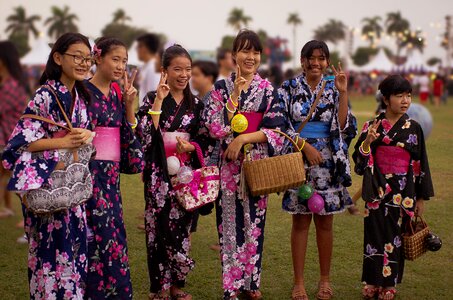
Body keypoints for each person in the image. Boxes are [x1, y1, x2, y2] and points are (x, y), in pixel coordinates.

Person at [2, 32, 94, 299]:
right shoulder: (45, 95)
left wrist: (85, 136)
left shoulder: (80, 95)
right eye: (76, 56)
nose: (83, 63)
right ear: (57, 57)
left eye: (87, 58)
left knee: (74, 255)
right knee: (49, 259)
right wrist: (64, 141)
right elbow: (21, 142)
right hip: (48, 188)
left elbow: (85, 134)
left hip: (72, 191)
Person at [203, 29, 288, 300]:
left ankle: (250, 283)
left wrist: (243, 139)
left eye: (255, 52)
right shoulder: (220, 88)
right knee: (229, 225)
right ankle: (231, 285)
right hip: (228, 168)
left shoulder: (268, 90)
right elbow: (213, 125)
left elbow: (276, 130)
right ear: (233, 56)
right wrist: (234, 98)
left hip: (257, 166)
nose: (250, 57)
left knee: (255, 224)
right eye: (244, 51)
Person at [279, 40, 357, 300]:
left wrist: (343, 93)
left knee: (325, 223)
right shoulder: (289, 87)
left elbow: (345, 127)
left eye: (321, 58)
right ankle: (298, 282)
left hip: (328, 164)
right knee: (300, 222)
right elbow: (279, 124)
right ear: (302, 60)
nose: (315, 62)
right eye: (310, 57)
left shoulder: (335, 87)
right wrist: (303, 146)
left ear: (327, 62)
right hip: (297, 162)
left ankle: (325, 280)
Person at [136, 44, 209, 300]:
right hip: (158, 174)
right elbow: (144, 135)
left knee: (181, 230)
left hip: (185, 175)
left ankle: (178, 284)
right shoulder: (151, 99)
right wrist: (158, 99)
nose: (183, 74)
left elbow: (205, 141)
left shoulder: (196, 104)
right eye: (177, 69)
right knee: (157, 230)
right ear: (164, 70)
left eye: (187, 69)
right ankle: (159, 288)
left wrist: (191, 146)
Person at [353, 75, 434, 300]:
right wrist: (368, 142)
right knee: (374, 235)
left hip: (403, 190)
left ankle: (389, 284)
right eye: (399, 96)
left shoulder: (414, 128)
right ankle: (371, 282)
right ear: (386, 99)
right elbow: (360, 160)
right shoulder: (372, 126)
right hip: (377, 188)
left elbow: (420, 164)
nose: (406, 100)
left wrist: (420, 197)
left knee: (395, 237)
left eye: (408, 95)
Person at [83, 37, 143, 299]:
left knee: (113, 239)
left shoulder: (119, 94)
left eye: (125, 61)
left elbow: (127, 135)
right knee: (92, 240)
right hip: (87, 175)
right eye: (115, 59)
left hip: (110, 181)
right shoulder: (81, 91)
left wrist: (129, 107)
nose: (121, 66)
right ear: (98, 58)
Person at [0, 41, 28, 218]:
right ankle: (10, 208)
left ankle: (32, 215)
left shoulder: (11, 86)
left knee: (18, 180)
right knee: (8, 176)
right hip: (8, 139)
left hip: (11, 140)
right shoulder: (7, 83)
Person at [136, 33, 161, 105]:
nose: (137, 50)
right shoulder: (146, 66)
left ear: (146, 48)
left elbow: (154, 94)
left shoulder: (153, 67)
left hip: (150, 113)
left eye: (139, 46)